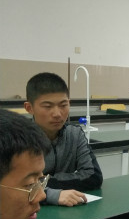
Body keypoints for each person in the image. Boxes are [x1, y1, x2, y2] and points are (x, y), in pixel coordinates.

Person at [24, 73, 103, 206]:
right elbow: (13, 187)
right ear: (29, 108)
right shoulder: (18, 139)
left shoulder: (74, 134)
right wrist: (52, 195)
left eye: (63, 105)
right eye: (47, 106)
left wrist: (44, 182)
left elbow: (93, 177)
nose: (57, 114)